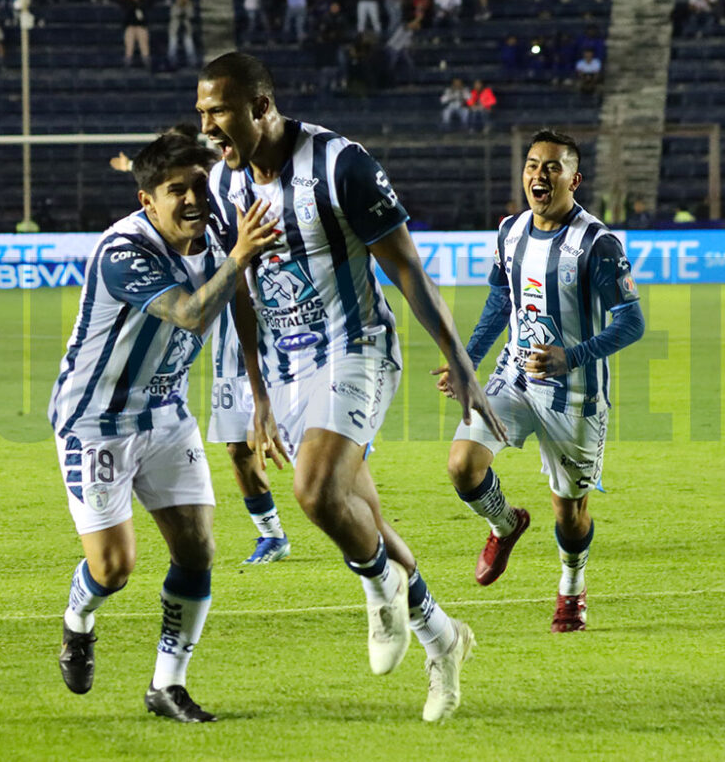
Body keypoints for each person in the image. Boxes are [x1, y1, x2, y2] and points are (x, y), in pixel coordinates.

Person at [197, 52, 502, 721]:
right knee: (360, 516)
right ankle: (443, 639)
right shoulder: (225, 186)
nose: (210, 126)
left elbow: (409, 271)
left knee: (312, 491)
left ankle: (377, 590)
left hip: (357, 347)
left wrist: (465, 363)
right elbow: (242, 293)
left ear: (261, 107)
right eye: (202, 113)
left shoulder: (340, 166)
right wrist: (257, 394)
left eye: (219, 111)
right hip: (289, 365)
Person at [48, 130, 280, 723]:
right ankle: (78, 622)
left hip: (167, 414)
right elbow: (192, 309)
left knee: (198, 550)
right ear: (148, 200)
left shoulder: (221, 233)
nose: (194, 198)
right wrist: (239, 258)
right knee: (113, 569)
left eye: (200, 184)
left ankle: (167, 685)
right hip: (95, 422)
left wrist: (259, 394)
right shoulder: (124, 250)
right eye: (177, 189)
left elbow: (240, 299)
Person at [438, 129, 644, 634]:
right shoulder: (510, 232)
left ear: (575, 178)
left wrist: (571, 356)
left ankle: (572, 589)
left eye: (552, 167)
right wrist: (467, 363)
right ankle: (505, 524)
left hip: (575, 394)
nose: (539, 175)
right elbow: (498, 303)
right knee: (463, 464)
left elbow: (631, 322)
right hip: (515, 377)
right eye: (532, 165)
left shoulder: (596, 243)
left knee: (569, 512)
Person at [108, 126, 296, 563]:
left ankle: (352, 514)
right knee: (237, 446)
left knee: (313, 446)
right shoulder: (191, 224)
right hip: (231, 331)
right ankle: (271, 534)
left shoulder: (240, 192)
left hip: (290, 329)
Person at [122, 0, 151, 69]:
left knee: (143, 39)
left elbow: (144, 18)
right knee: (129, 40)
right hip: (130, 26)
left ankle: (146, 61)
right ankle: (128, 61)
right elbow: (126, 19)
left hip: (141, 26)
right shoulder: (127, 4)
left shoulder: (142, 4)